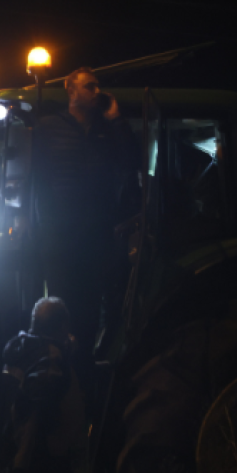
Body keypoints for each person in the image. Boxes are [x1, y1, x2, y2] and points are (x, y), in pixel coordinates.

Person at [31, 67, 141, 358]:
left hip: (95, 235)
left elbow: (132, 161)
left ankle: (86, 366)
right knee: (60, 307)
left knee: (91, 307)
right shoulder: (48, 127)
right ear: (71, 90)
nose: (97, 92)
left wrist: (116, 120)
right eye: (90, 86)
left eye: (97, 87)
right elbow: (37, 180)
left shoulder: (107, 128)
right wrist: (44, 227)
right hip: (60, 237)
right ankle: (57, 365)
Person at [0, 297, 86, 473]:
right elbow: (41, 399)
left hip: (19, 452)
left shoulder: (21, 349)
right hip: (44, 457)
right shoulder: (50, 356)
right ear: (62, 326)